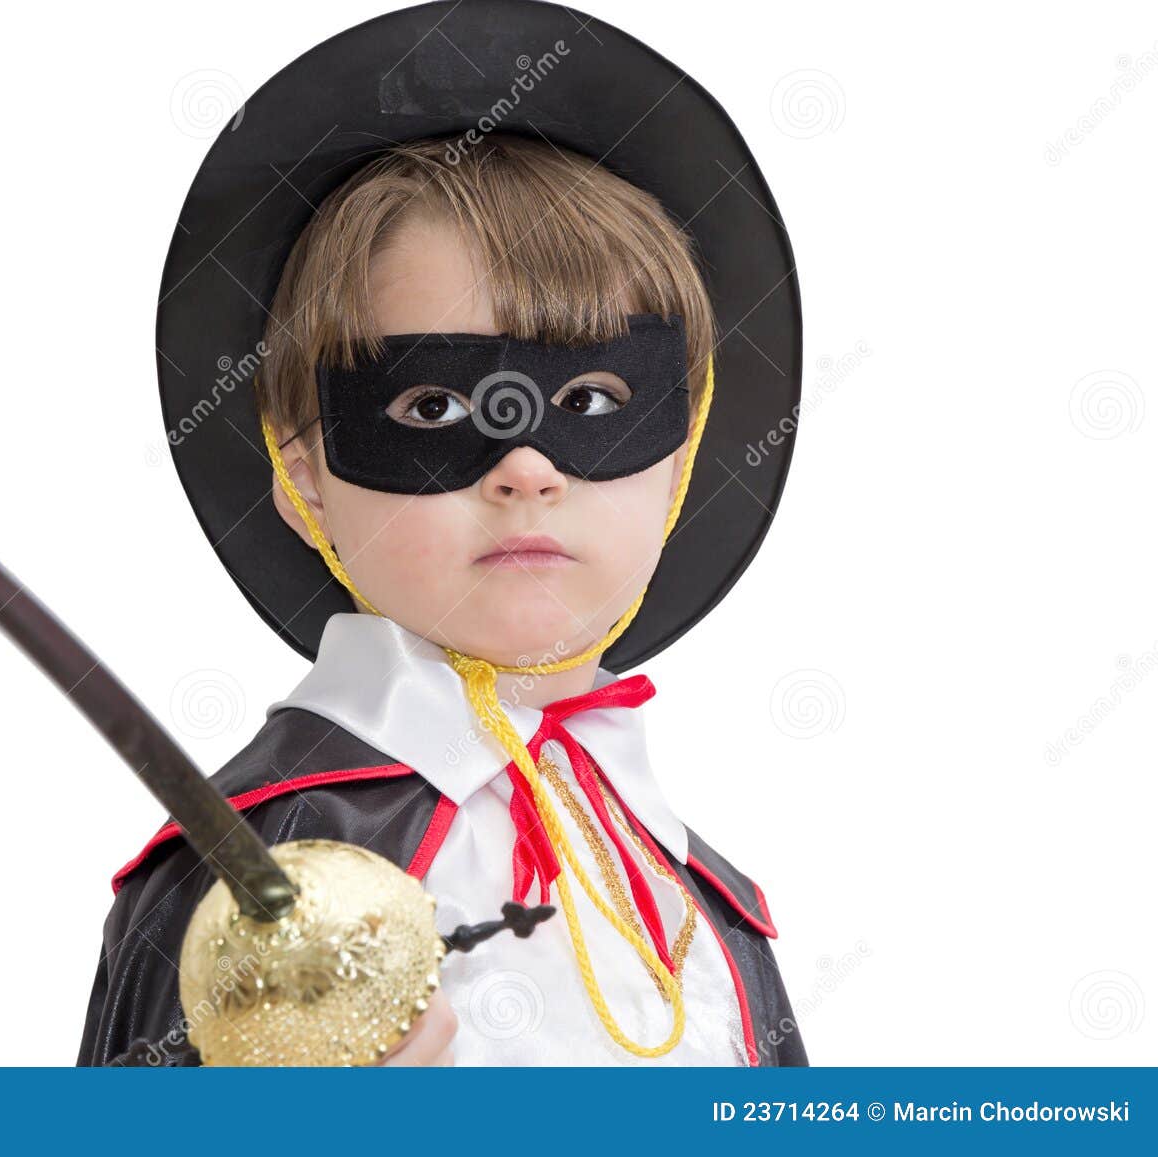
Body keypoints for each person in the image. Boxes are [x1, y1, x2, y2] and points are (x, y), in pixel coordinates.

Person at [78, 1, 808, 1067]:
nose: (525, 468)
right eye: (432, 408)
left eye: (596, 402)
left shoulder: (699, 904)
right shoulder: (249, 870)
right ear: (303, 474)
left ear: (680, 458)